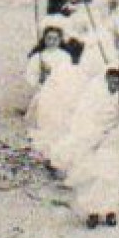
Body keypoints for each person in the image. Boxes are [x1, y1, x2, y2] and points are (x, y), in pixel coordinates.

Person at [62, 67, 119, 228]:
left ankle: (109, 210)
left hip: (115, 140)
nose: (114, 85)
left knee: (112, 176)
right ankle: (92, 211)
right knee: (94, 174)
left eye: (118, 83)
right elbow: (84, 116)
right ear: (106, 79)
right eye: (112, 81)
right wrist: (92, 135)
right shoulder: (95, 94)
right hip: (94, 138)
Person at [25, 26, 86, 172]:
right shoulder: (37, 57)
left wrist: (53, 74)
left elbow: (68, 76)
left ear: (60, 40)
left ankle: (57, 154)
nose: (51, 41)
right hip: (43, 92)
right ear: (44, 39)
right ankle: (44, 153)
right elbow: (30, 77)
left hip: (60, 93)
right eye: (49, 38)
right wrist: (40, 78)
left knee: (59, 122)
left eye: (55, 39)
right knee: (44, 121)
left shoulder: (64, 56)